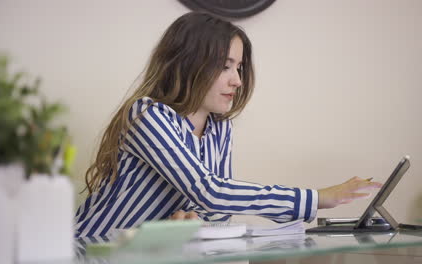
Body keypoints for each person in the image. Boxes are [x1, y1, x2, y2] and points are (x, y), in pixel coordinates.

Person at [74, 11, 382, 237]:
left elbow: (217, 213)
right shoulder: (147, 115)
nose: (237, 80)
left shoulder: (219, 129)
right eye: (225, 67)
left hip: (143, 256)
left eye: (239, 67)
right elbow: (211, 190)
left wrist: (187, 223)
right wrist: (318, 198)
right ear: (188, 64)